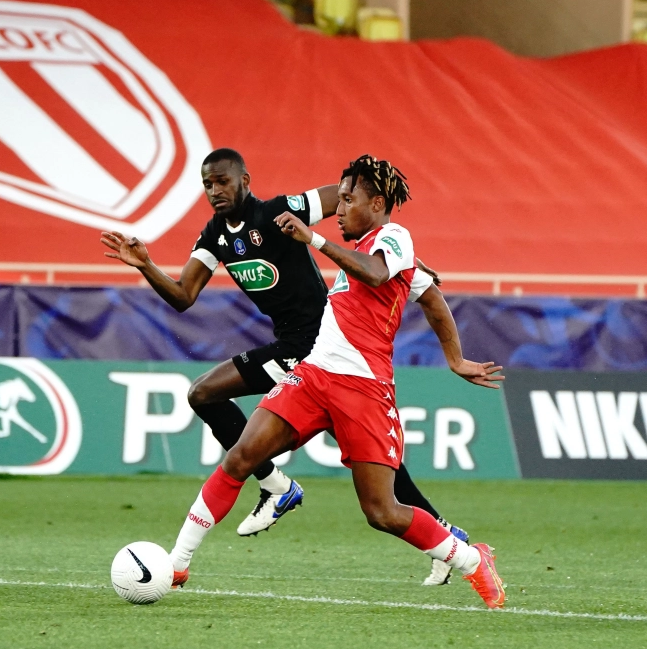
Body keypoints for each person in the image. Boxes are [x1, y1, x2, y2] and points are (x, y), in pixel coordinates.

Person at [101, 148, 470, 586]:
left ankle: (285, 489)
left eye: (222, 181)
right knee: (206, 396)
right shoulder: (214, 237)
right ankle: (283, 487)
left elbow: (349, 198)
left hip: (323, 345)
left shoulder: (280, 210)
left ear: (245, 180)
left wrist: (398, 258)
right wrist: (145, 265)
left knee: (373, 477)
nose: (215, 191)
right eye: (207, 184)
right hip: (298, 349)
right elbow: (183, 295)